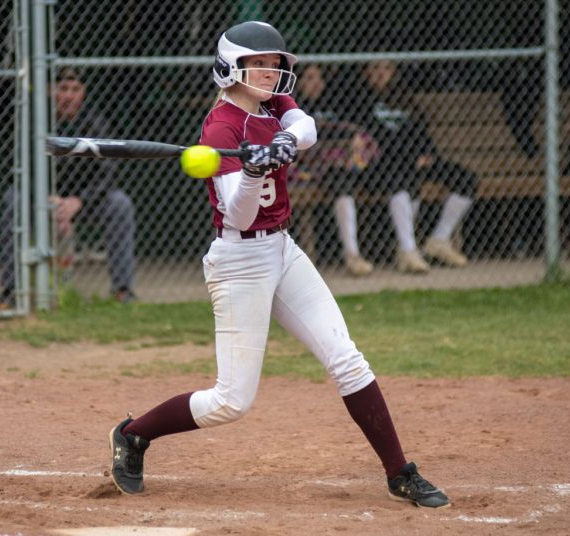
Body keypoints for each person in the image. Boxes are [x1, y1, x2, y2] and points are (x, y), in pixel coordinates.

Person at [107, 21, 450, 509]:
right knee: (231, 402)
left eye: (275, 64)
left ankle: (399, 473)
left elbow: (305, 127)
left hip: (283, 250)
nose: (271, 72)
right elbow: (239, 213)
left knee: (346, 358)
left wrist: (286, 143)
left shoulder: (274, 104)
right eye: (259, 64)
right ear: (232, 68)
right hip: (239, 260)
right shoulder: (221, 127)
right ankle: (134, 434)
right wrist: (252, 170)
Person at [0, 67, 137, 308]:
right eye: (62, 89)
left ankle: (122, 290)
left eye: (75, 90)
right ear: (50, 91)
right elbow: (19, 170)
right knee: (14, 199)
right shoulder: (34, 123)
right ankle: (12, 291)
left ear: (83, 93)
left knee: (120, 204)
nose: (68, 96)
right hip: (41, 198)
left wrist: (79, 201)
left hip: (83, 202)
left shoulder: (95, 124)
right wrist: (44, 199)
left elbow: (108, 173)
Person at [346, 60, 478, 273]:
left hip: (414, 160)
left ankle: (439, 239)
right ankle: (408, 250)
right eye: (375, 69)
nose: (381, 74)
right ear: (366, 73)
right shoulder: (359, 101)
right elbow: (369, 139)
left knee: (465, 179)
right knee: (402, 181)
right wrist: (410, 154)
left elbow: (420, 130)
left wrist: (428, 153)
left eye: (386, 68)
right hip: (382, 165)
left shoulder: (403, 99)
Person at [295, 63, 378, 276]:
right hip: (310, 168)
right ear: (300, 82)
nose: (315, 84)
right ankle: (352, 254)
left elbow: (350, 130)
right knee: (340, 178)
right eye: (309, 78)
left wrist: (355, 139)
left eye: (319, 78)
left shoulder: (334, 104)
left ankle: (353, 255)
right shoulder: (294, 108)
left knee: (344, 176)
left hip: (342, 166)